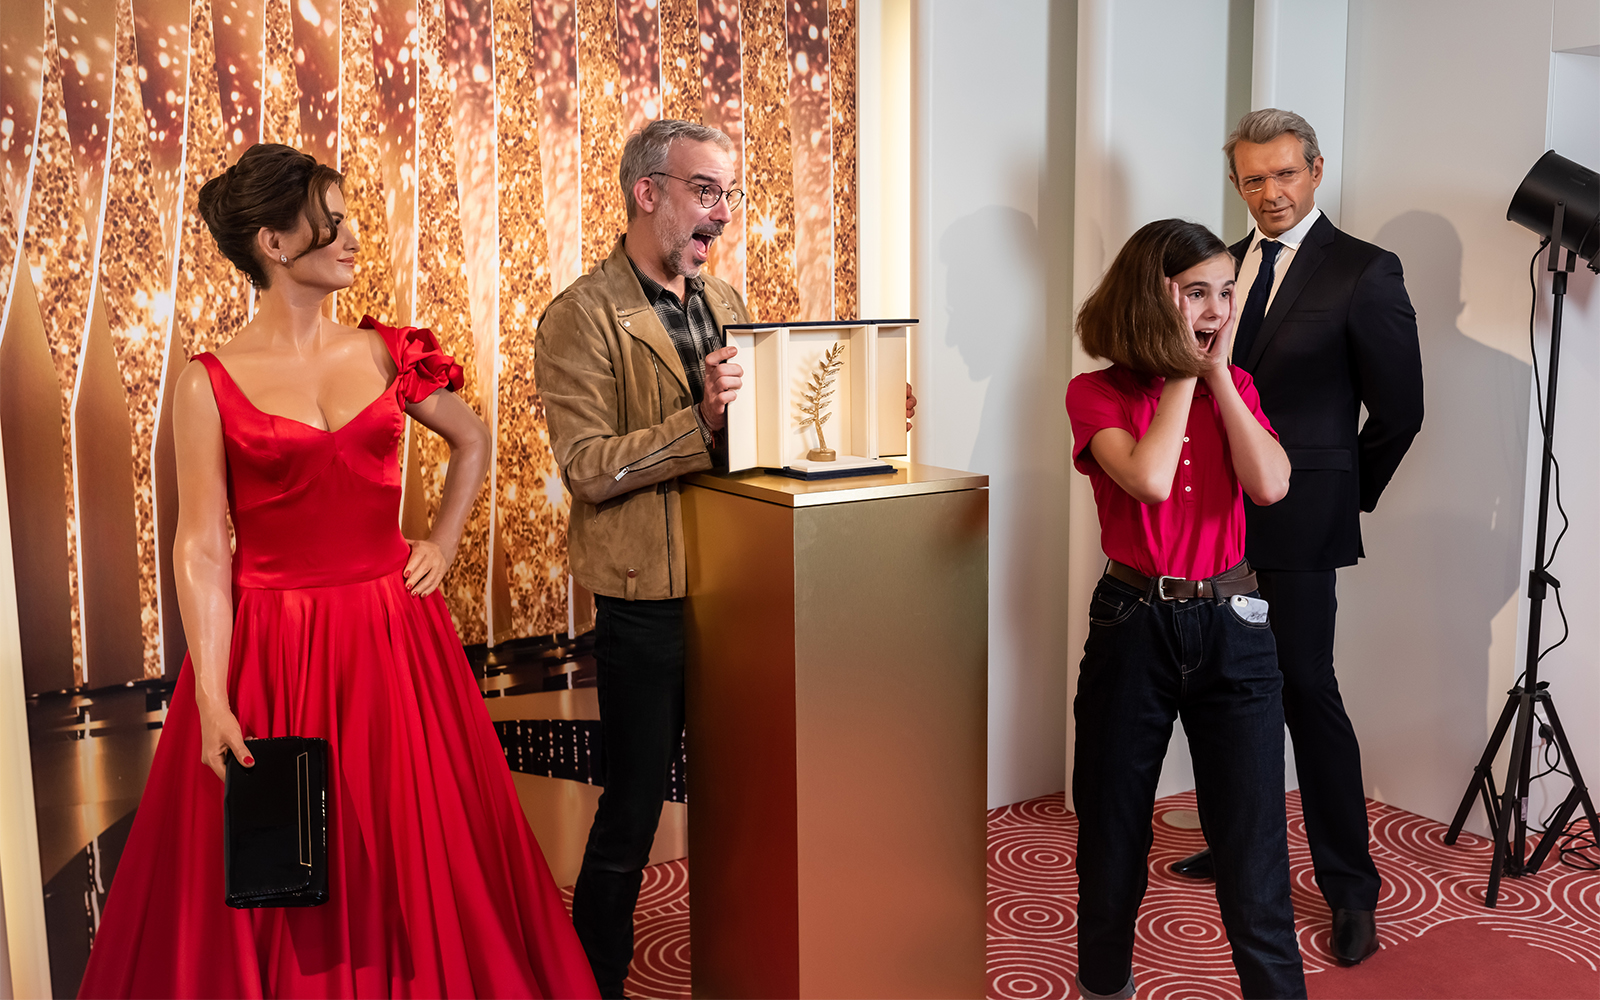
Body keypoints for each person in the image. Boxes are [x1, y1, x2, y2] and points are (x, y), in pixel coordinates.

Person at [78, 143, 598, 998]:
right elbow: (202, 545)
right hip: (274, 646)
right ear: (275, 243)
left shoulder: (388, 353)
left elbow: (472, 440)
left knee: (410, 843)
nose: (355, 235)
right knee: (288, 853)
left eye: (350, 215)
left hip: (396, 640)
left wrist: (438, 541)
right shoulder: (207, 384)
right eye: (334, 218)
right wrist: (211, 696)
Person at [1169, 109, 1424, 968]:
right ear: (1236, 184)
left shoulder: (1364, 270)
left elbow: (1400, 411)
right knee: (1222, 691)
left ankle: (1351, 889)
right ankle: (1238, 843)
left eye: (1284, 175)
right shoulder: (1220, 267)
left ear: (1315, 169)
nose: (1269, 194)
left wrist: (1340, 495)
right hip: (1214, 518)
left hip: (1303, 521)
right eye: (1252, 180)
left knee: (1307, 694)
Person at [533, 119, 749, 997]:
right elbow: (588, 468)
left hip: (742, 592)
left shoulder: (726, 302)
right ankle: (597, 984)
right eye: (707, 191)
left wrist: (844, 405)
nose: (722, 214)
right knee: (631, 813)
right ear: (647, 190)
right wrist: (697, 423)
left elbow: (753, 439)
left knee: (741, 799)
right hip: (646, 605)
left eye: (728, 195)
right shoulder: (582, 316)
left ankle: (745, 962)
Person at [1067, 219, 1304, 999]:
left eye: (1226, 292)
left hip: (1236, 624)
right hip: (1134, 623)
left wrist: (1223, 380)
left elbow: (1270, 487)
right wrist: (1180, 371)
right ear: (1152, 299)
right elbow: (1150, 480)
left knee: (1253, 846)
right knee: (1112, 833)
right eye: (1196, 293)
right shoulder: (1095, 391)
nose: (1216, 309)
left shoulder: (1238, 389)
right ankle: (1107, 987)